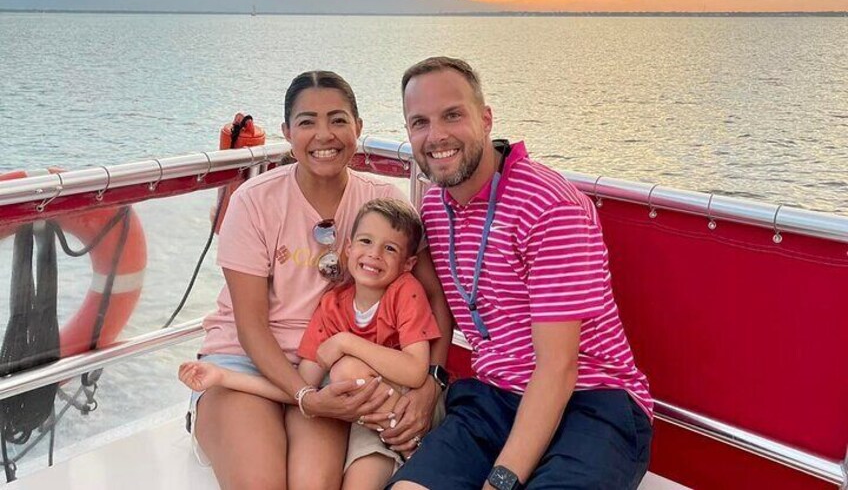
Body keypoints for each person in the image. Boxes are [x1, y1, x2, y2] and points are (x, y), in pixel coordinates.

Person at [388, 57, 654, 490]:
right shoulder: (435, 208)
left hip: (592, 401)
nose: (436, 136)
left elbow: (558, 367)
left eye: (452, 115)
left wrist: (501, 481)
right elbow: (435, 304)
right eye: (420, 122)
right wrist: (431, 383)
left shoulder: (549, 206)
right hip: (495, 398)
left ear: (486, 118)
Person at [189, 71, 452, 490]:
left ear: (358, 128)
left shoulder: (382, 202)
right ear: (287, 132)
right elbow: (251, 327)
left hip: (329, 369)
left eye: (338, 119)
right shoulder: (254, 201)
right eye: (307, 121)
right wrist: (303, 397)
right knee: (261, 483)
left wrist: (431, 386)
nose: (323, 134)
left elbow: (433, 298)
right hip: (246, 364)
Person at [181, 198, 441, 489]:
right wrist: (224, 376)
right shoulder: (333, 307)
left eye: (389, 248)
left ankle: (416, 451)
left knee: (346, 370)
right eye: (366, 242)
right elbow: (302, 387)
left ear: (408, 264)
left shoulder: (406, 291)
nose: (374, 254)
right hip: (363, 421)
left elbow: (416, 371)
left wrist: (346, 341)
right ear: (348, 248)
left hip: (400, 405)